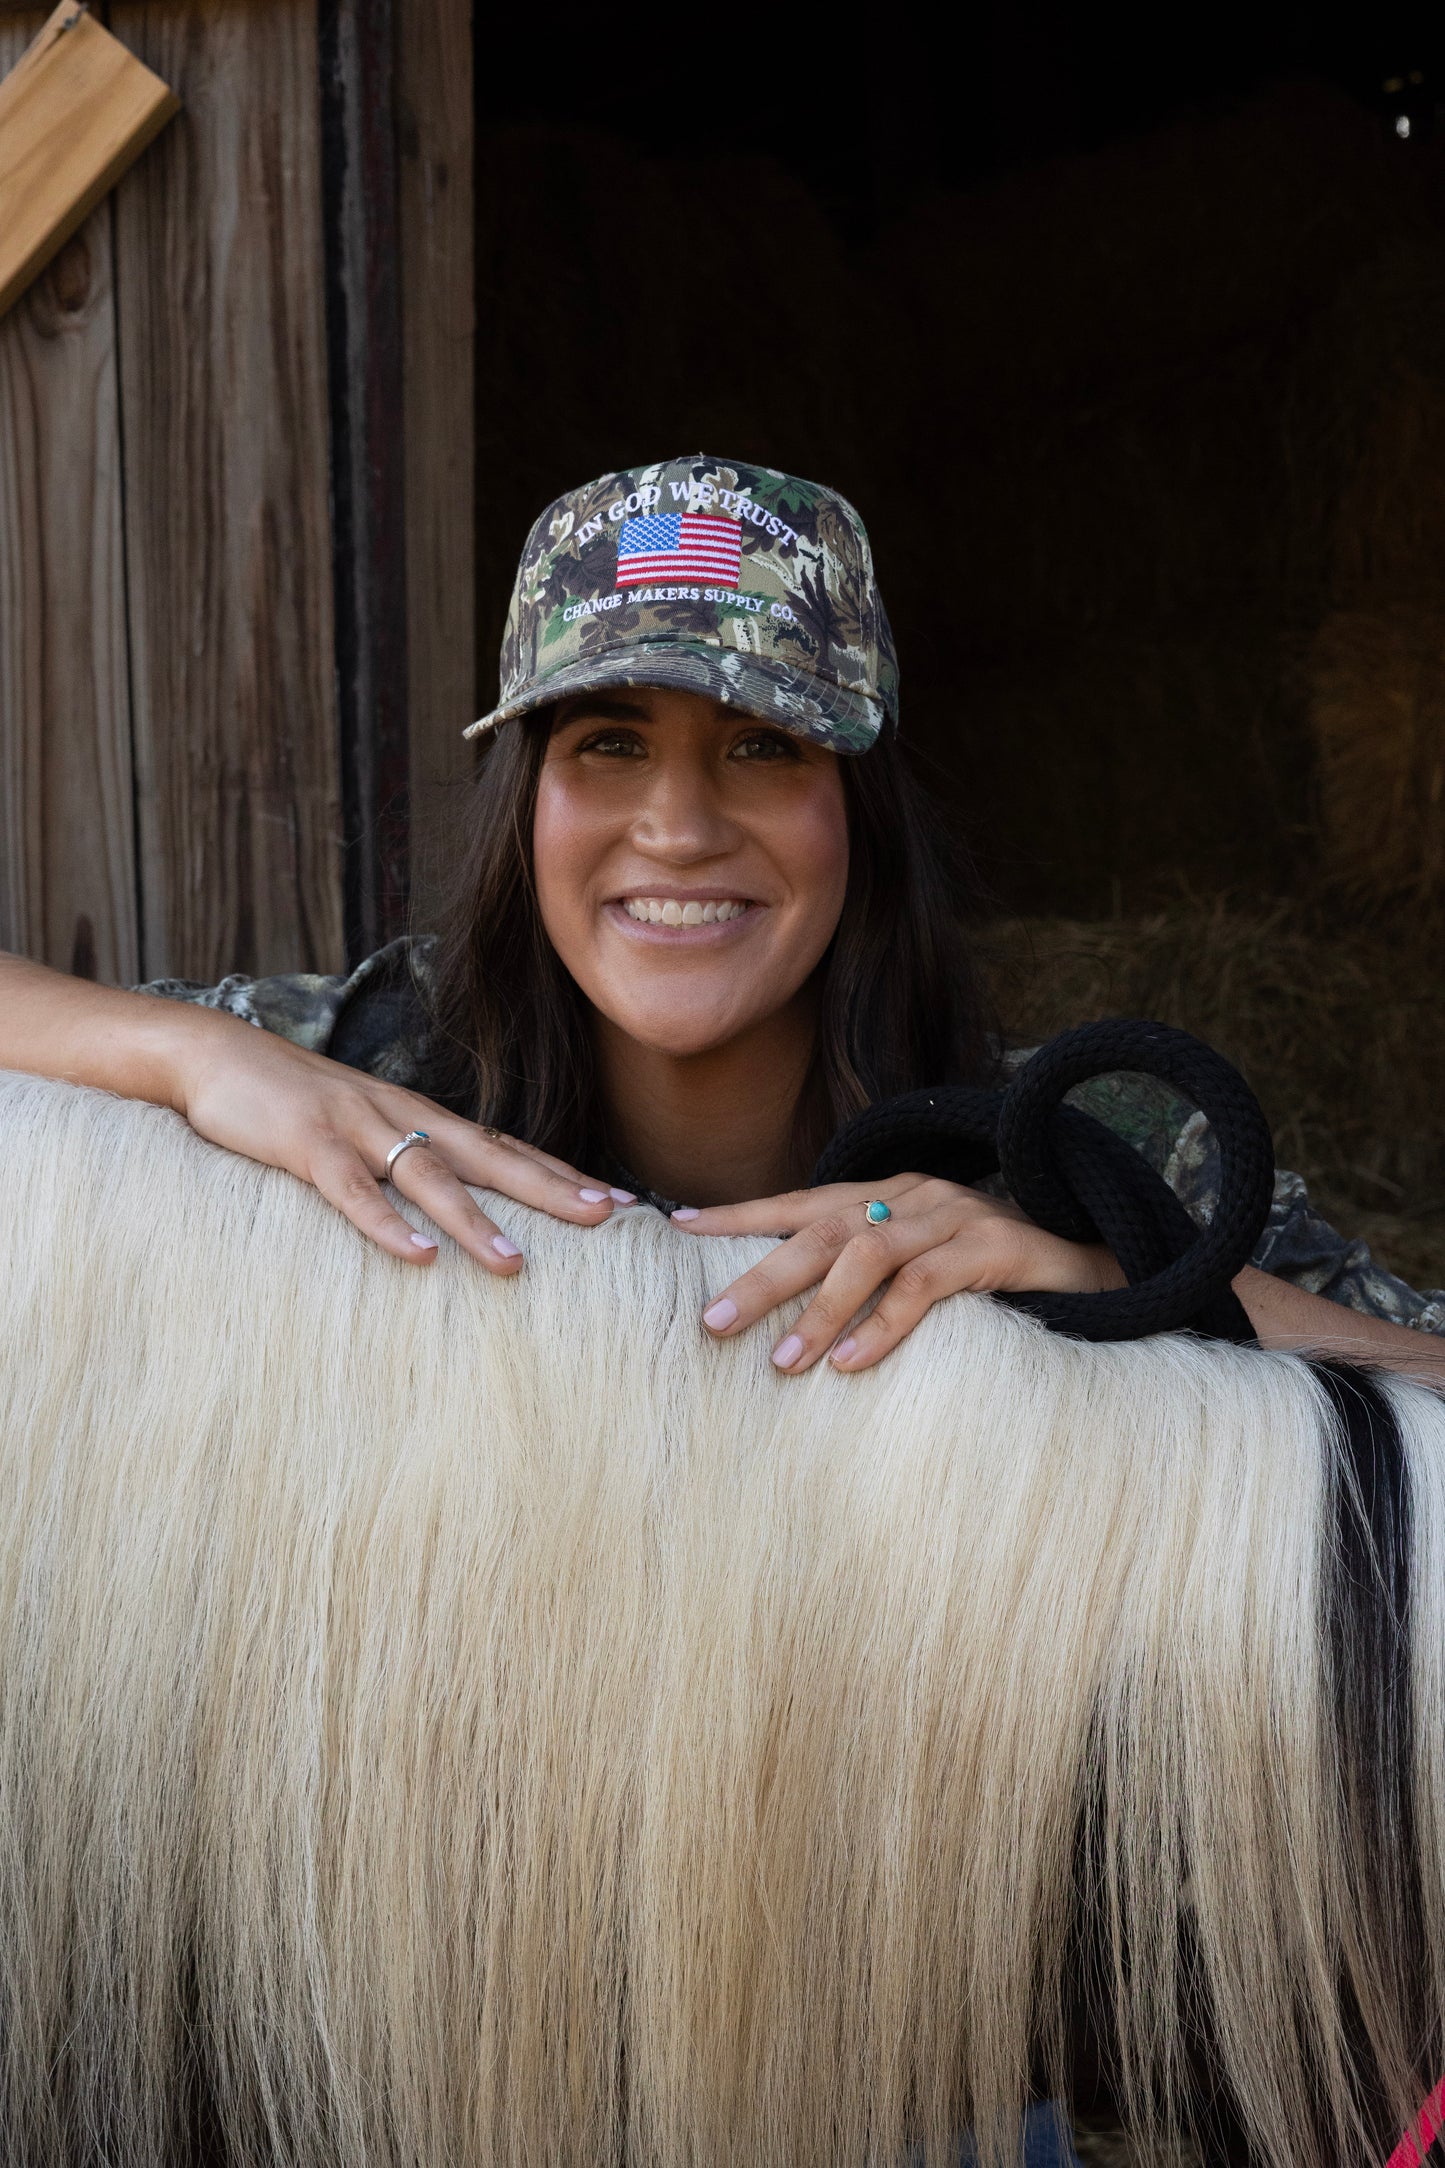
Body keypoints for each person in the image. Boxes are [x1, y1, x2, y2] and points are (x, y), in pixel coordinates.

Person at [2, 454, 1442, 2161]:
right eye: (607, 743)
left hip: (915, 2022)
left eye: (762, 747)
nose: (677, 826)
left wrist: (1121, 1285)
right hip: (416, 1994)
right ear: (529, 796)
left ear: (860, 808)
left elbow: (1421, 1396)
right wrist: (180, 1055)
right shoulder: (372, 1064)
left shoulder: (1081, 1149)